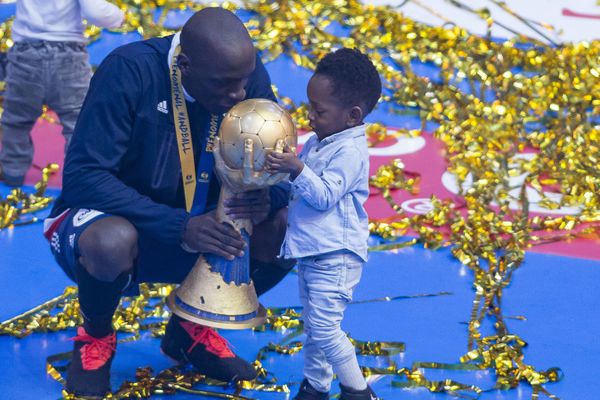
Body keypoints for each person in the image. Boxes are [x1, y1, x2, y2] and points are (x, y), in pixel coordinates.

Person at [42, 8, 293, 398]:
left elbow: (274, 166)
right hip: (122, 225)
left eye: (244, 82)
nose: (238, 96)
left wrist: (267, 197)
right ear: (185, 65)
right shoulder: (129, 71)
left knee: (290, 228)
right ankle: (95, 336)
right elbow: (84, 177)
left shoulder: (242, 76)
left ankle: (191, 326)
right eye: (226, 85)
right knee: (110, 241)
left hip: (205, 231)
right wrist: (178, 225)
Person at [265, 48, 382, 400]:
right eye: (309, 106)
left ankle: (357, 391)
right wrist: (276, 171)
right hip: (313, 252)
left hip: (337, 256)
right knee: (314, 328)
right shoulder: (321, 142)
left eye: (319, 110)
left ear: (353, 115)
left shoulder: (350, 152)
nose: (310, 116)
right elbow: (298, 188)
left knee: (325, 328)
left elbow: (324, 195)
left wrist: (296, 169)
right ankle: (315, 387)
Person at [0, 0, 124, 187]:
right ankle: (80, 178)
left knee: (17, 119)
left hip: (25, 53)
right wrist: (117, 17)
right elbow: (96, 12)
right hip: (68, 55)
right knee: (78, 122)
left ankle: (12, 171)